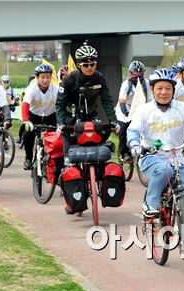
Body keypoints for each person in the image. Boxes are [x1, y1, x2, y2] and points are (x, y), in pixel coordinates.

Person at [127, 68, 184, 217]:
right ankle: (149, 204)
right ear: (152, 89)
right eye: (159, 88)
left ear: (173, 90)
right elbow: (133, 131)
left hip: (177, 159)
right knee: (164, 170)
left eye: (168, 88)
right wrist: (134, 144)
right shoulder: (144, 110)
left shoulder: (182, 107)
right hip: (151, 157)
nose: (164, 92)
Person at [55, 42, 119, 215]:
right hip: (70, 117)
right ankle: (71, 197)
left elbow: (106, 101)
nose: (90, 67)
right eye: (86, 64)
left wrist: (113, 122)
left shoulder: (100, 78)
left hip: (90, 115)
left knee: (99, 145)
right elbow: (59, 105)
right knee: (69, 159)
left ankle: (97, 177)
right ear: (78, 65)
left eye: (93, 63)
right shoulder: (69, 79)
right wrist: (62, 124)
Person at [20, 64, 58, 170]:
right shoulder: (31, 89)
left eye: (48, 77)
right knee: (28, 135)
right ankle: (28, 158)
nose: (45, 80)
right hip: (34, 116)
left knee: (57, 137)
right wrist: (25, 120)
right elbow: (25, 104)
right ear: (37, 77)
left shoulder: (56, 89)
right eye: (42, 77)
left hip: (50, 116)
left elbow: (61, 105)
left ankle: (54, 160)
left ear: (51, 77)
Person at [116, 60, 152, 162]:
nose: (138, 77)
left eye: (140, 75)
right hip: (125, 109)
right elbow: (122, 99)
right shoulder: (126, 84)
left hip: (139, 108)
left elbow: (150, 99)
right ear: (131, 74)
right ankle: (124, 153)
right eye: (135, 75)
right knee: (124, 129)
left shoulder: (146, 83)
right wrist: (125, 112)